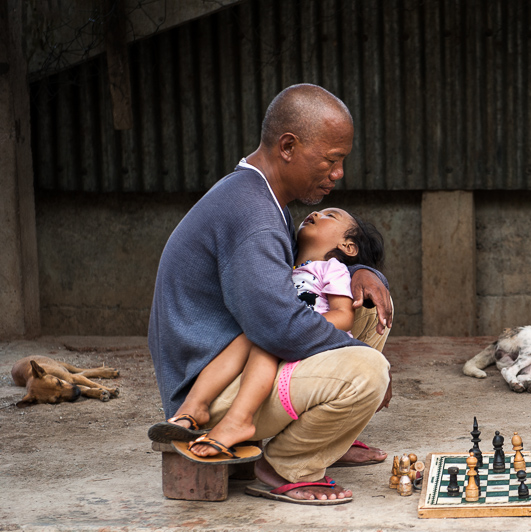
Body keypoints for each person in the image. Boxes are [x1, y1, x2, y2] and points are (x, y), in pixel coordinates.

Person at [148, 84, 393, 504]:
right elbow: (280, 327)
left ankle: (318, 432)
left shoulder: (255, 192)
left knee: (367, 310)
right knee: (367, 372)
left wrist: (364, 271)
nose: (338, 173)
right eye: (331, 160)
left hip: (232, 365)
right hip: (212, 388)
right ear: (288, 146)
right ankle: (283, 468)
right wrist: (367, 358)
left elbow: (307, 268)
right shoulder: (256, 217)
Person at [167, 207, 384, 463]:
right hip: (284, 332)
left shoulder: (331, 269)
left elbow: (344, 315)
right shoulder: (285, 266)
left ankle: (239, 420)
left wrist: (298, 327)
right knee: (246, 338)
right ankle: (194, 407)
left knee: (266, 342)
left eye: (330, 216)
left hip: (311, 340)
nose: (315, 213)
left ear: (348, 246)